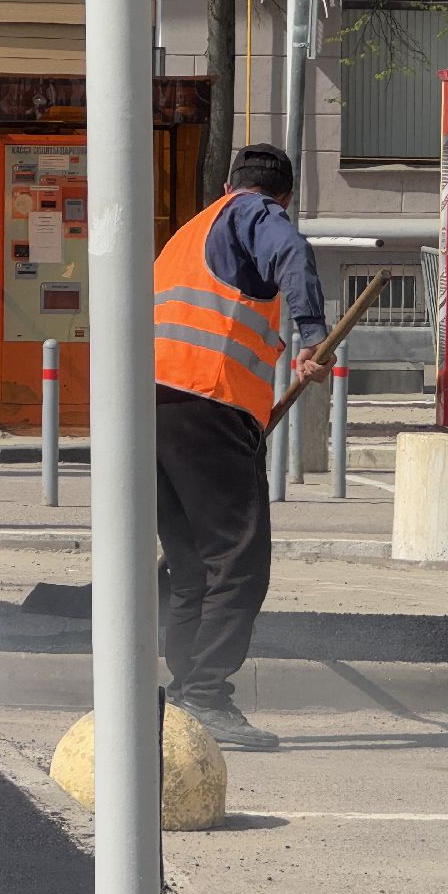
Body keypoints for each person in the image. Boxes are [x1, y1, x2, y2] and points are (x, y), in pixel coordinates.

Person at [154, 143, 330, 749]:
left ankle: (181, 692)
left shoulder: (190, 231)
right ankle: (204, 695)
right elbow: (292, 252)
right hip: (209, 402)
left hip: (154, 410)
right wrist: (311, 332)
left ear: (229, 181)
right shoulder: (255, 213)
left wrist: (292, 363)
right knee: (239, 561)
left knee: (190, 564)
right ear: (281, 196)